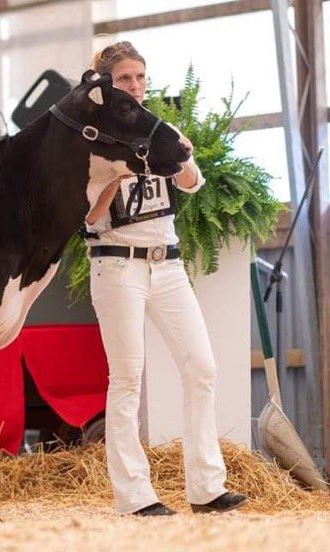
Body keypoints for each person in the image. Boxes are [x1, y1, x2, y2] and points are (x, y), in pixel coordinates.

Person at [84, 41, 248, 517]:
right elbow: (89, 220)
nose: (134, 86)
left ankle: (206, 487)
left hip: (168, 263)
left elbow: (191, 184)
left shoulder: (162, 129)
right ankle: (134, 496)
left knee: (201, 367)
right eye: (124, 80)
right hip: (117, 263)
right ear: (106, 86)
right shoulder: (94, 140)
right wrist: (118, 172)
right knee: (128, 379)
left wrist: (186, 155)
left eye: (139, 77)